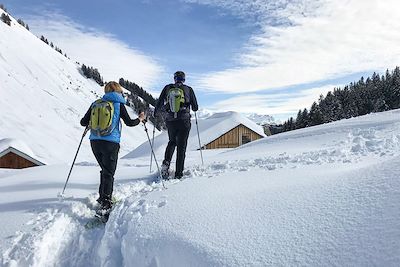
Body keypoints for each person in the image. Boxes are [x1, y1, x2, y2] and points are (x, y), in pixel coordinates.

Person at [80, 81, 145, 214]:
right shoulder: (118, 104)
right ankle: (106, 205)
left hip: (95, 142)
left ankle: (102, 197)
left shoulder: (96, 103)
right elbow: (129, 123)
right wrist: (140, 119)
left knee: (104, 170)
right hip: (111, 143)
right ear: (118, 91)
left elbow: (83, 122)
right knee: (109, 173)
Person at [154, 71, 198, 179]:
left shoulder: (167, 88)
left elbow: (159, 103)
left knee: (172, 142)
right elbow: (195, 107)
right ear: (183, 79)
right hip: (184, 121)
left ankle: (166, 165)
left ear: (174, 78)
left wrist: (156, 114)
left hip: (171, 121)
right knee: (181, 147)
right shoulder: (189, 89)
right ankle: (178, 174)